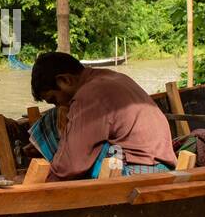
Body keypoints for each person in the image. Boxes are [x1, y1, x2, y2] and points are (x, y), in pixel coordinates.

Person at [29, 52, 176, 181]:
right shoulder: (111, 77)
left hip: (141, 171)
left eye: (53, 99)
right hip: (164, 165)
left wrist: (46, 182)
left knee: (54, 126)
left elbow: (72, 164)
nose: (58, 104)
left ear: (65, 81)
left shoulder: (89, 95)